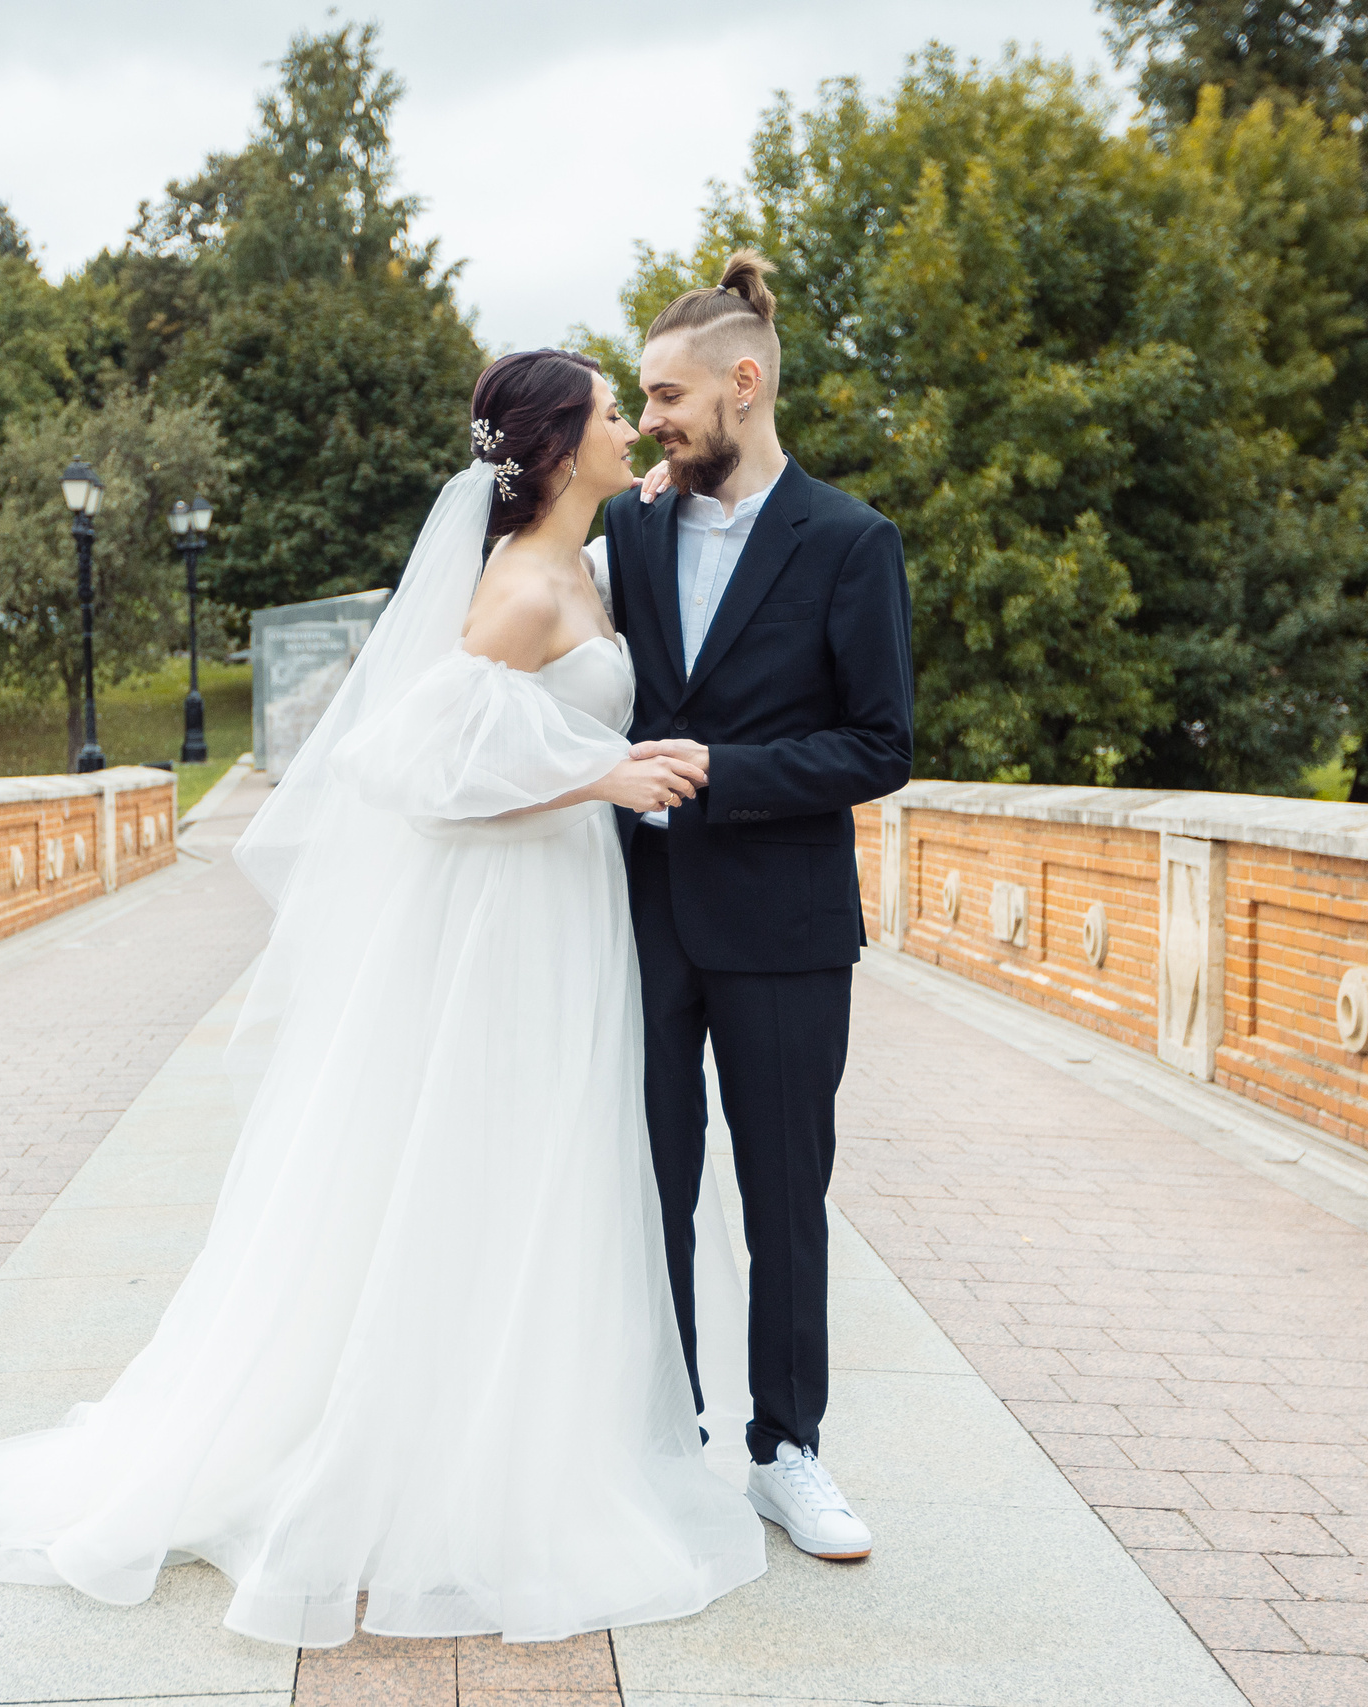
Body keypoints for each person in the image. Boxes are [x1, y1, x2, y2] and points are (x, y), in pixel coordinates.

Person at [0, 349, 768, 1648]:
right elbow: (410, 754)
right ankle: (419, 1460)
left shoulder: (583, 564)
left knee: (544, 1167)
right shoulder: (523, 587)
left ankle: (513, 1422)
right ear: (551, 448)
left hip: (561, 901)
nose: (625, 432)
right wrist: (601, 781)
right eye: (605, 416)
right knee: (478, 1163)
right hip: (508, 912)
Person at [588, 249, 914, 1562]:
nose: (653, 420)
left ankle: (789, 1454)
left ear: (745, 381)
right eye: (645, 402)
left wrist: (726, 774)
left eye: (668, 397)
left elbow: (879, 746)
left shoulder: (850, 543)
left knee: (785, 1199)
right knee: (646, 1190)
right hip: (643, 917)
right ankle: (668, 1447)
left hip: (786, 929)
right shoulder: (627, 530)